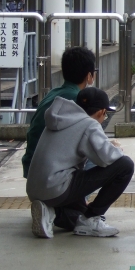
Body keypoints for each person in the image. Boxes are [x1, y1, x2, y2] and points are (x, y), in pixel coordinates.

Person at [26, 87, 134, 238]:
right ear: (101, 112)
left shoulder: (59, 118)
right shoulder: (89, 124)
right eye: (106, 115)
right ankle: (91, 219)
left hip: (36, 190)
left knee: (78, 218)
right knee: (125, 166)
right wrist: (118, 149)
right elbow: (107, 158)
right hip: (57, 187)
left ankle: (51, 213)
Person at [22, 46, 96, 178]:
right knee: (102, 158)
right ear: (89, 76)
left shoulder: (53, 94)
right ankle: (79, 198)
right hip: (51, 172)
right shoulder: (79, 101)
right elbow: (92, 141)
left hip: (30, 167)